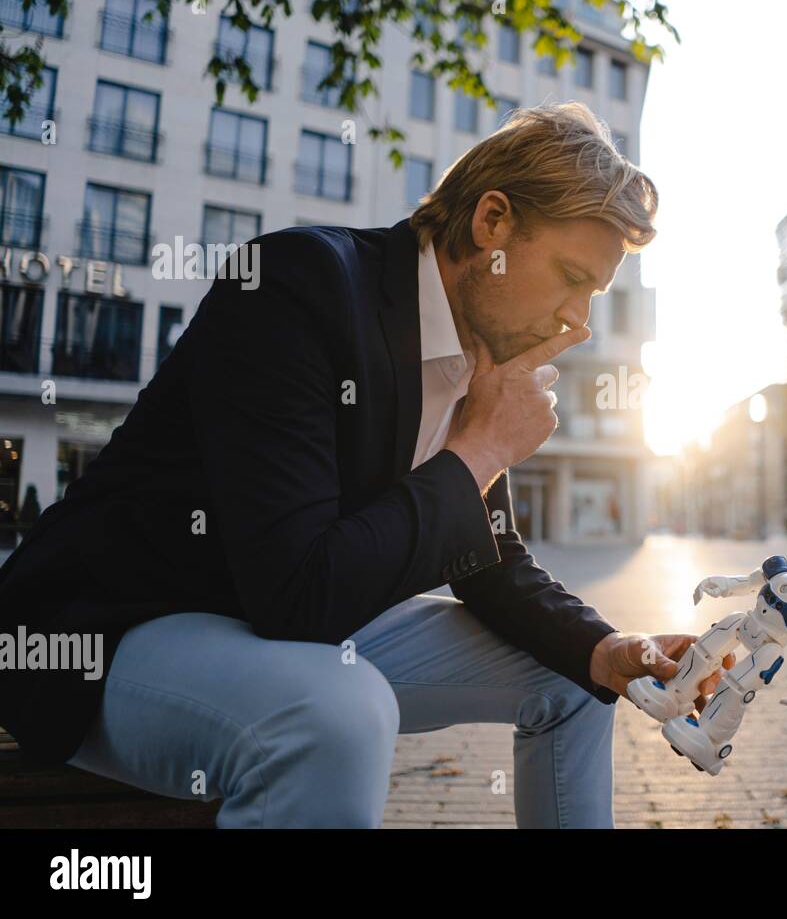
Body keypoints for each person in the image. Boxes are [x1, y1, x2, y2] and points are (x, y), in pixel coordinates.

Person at [0, 102, 729, 828]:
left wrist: (605, 648)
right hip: (111, 632)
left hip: (275, 626)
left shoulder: (480, 349)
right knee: (341, 713)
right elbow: (296, 593)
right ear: (493, 223)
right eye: (570, 276)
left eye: (594, 295)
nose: (578, 320)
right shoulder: (299, 284)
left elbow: (489, 559)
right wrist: (480, 448)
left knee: (572, 676)